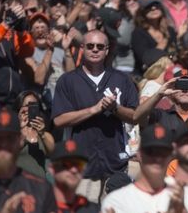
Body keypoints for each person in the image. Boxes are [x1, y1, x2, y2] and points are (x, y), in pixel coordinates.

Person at [52, 30, 137, 202]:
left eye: (100, 46)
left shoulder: (122, 79)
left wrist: (115, 108)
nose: (95, 50)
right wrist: (93, 110)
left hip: (116, 161)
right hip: (81, 165)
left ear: (107, 50)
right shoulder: (68, 80)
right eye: (90, 46)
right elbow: (59, 120)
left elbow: (136, 116)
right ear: (82, 48)